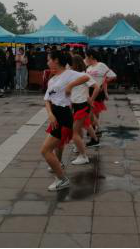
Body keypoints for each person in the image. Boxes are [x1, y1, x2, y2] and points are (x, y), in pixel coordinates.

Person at [41, 51, 91, 192]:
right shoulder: (52, 80)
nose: (47, 62)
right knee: (52, 148)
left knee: (45, 150)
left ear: (56, 60)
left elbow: (86, 77)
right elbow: (47, 100)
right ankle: (60, 172)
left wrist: (70, 86)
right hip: (55, 116)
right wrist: (50, 114)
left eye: (49, 60)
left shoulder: (68, 73)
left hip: (64, 116)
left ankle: (62, 179)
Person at [69, 55, 101, 166]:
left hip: (82, 105)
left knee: (74, 132)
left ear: (75, 64)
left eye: (71, 63)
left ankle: (83, 156)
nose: (69, 65)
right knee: (80, 129)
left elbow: (97, 87)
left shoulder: (84, 75)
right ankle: (80, 147)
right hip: (76, 105)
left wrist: (91, 99)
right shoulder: (74, 75)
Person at [84, 49, 116, 144]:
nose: (85, 58)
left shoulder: (101, 65)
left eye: (86, 56)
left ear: (91, 57)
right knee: (92, 113)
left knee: (92, 112)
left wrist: (102, 84)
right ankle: (94, 129)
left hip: (97, 91)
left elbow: (112, 76)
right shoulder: (88, 68)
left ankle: (96, 130)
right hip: (89, 91)